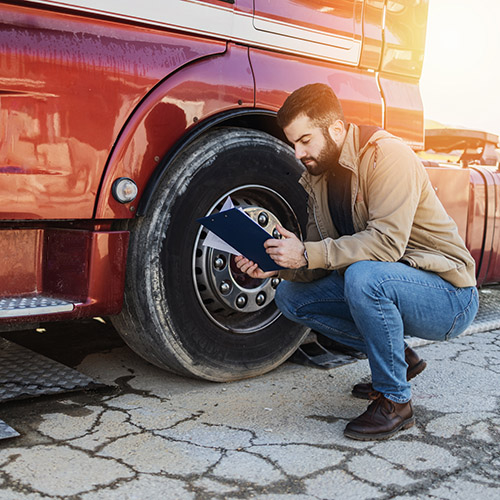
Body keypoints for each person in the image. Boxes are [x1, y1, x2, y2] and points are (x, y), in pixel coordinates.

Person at [235, 83, 478, 440]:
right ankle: (397, 360)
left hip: (449, 295)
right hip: (391, 281)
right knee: (290, 297)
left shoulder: (387, 155)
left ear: (335, 129)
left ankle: (396, 402)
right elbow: (319, 259)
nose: (298, 152)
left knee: (364, 277)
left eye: (305, 140)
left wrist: (307, 252)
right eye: (292, 143)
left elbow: (387, 244)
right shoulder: (318, 177)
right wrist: (281, 263)